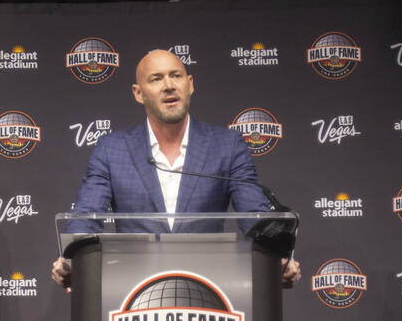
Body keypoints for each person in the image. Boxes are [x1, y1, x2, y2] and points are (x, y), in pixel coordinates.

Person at [50, 49, 300, 288]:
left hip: (211, 289)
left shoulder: (227, 145)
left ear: (190, 84)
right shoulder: (112, 149)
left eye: (176, 76)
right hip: (133, 292)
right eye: (156, 79)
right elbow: (86, 216)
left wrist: (275, 259)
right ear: (138, 93)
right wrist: (73, 259)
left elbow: (253, 216)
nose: (169, 85)